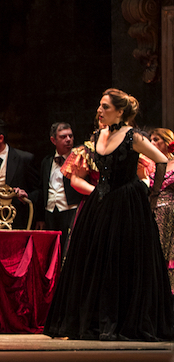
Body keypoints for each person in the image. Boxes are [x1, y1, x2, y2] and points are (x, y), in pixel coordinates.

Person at [44, 89, 174, 341]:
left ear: (120, 111)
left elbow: (160, 160)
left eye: (105, 106)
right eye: (100, 105)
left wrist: (153, 194)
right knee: (95, 259)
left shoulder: (133, 136)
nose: (99, 111)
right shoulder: (98, 135)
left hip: (127, 203)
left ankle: (124, 320)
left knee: (124, 259)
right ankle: (95, 320)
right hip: (101, 202)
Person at [31, 123, 81, 256]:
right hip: (50, 212)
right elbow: (42, 190)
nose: (68, 140)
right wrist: (40, 217)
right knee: (51, 251)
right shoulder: (46, 162)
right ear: (53, 140)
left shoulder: (78, 159)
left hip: (70, 211)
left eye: (70, 136)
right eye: (63, 137)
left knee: (69, 251)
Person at [149, 127, 174, 289]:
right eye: (150, 140)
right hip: (152, 210)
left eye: (156, 140)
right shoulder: (147, 164)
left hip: (171, 211)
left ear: (167, 142)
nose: (152, 143)